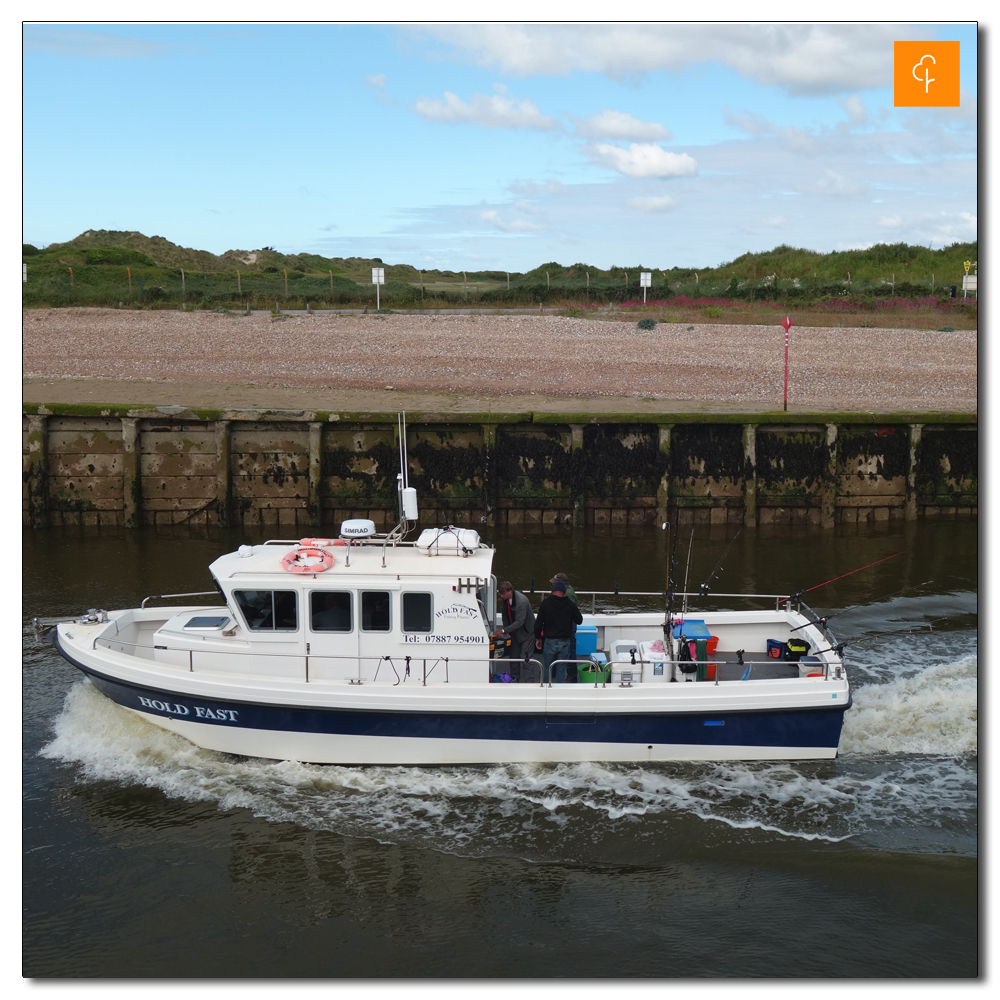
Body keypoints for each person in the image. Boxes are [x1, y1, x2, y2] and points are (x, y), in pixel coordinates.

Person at [533, 579, 583, 683]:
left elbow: (538, 623)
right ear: (564, 593)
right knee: (561, 667)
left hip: (549, 641)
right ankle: (559, 690)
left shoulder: (545, 603)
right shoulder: (570, 604)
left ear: (553, 591)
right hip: (564, 642)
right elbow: (579, 620)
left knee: (548, 667)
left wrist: (538, 638)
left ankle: (546, 688)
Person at [493, 582, 538, 683]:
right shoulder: (506, 600)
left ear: (510, 592)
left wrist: (504, 631)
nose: (501, 596)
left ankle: (529, 683)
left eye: (503, 594)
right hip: (514, 633)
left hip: (527, 633)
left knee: (526, 659)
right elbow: (504, 614)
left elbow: (519, 622)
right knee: (513, 658)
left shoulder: (521, 602)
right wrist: (506, 628)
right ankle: (514, 680)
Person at [551, 573, 578, 682]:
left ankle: (572, 676)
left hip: (568, 626)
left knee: (570, 651)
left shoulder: (568, 594)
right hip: (565, 625)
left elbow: (569, 611)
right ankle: (554, 670)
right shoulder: (568, 590)